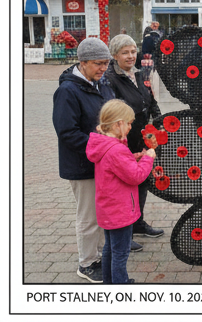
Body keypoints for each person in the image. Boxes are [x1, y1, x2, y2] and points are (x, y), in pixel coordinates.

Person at [52, 36, 123, 283]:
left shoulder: (101, 84)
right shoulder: (67, 90)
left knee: (102, 213)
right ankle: (86, 263)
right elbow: (67, 132)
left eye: (106, 63)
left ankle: (100, 255)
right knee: (89, 217)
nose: (104, 68)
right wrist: (101, 147)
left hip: (103, 161)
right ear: (82, 63)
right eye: (98, 63)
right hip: (83, 165)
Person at [86, 100, 156, 284]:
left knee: (110, 248)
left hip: (108, 209)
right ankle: (120, 284)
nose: (131, 127)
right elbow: (136, 176)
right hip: (121, 211)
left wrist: (133, 157)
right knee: (121, 253)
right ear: (119, 124)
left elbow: (117, 166)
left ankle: (109, 282)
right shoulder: (117, 149)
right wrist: (148, 159)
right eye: (129, 123)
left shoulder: (105, 145)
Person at [104, 35, 164, 240]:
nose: (130, 56)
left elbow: (151, 101)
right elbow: (112, 112)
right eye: (125, 52)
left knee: (142, 181)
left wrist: (159, 120)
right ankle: (124, 231)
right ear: (114, 55)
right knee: (125, 187)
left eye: (132, 51)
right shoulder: (110, 79)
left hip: (142, 138)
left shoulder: (139, 74)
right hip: (123, 141)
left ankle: (138, 223)